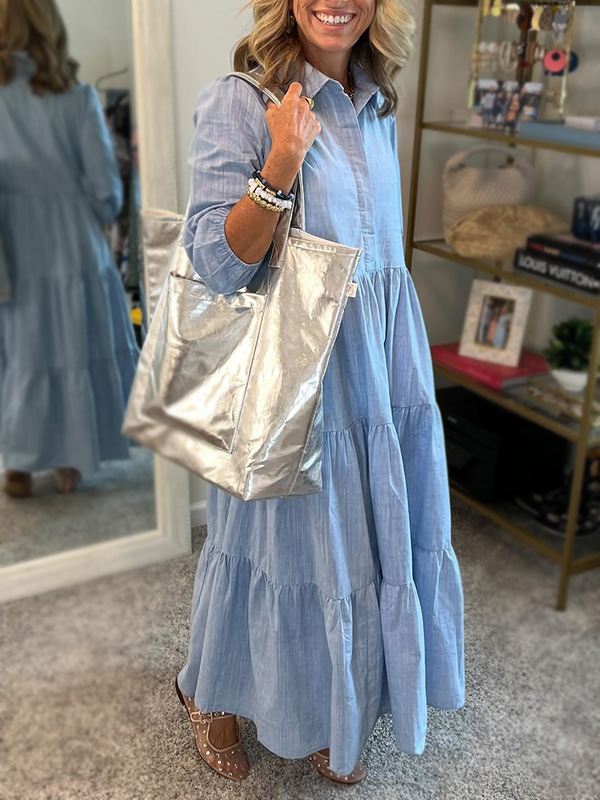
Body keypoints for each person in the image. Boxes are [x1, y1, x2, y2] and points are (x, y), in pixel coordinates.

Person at [176, 0, 465, 785]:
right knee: (271, 547)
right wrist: (280, 163)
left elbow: (378, 265)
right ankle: (208, 693)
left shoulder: (379, 102)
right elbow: (216, 264)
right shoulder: (242, 99)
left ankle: (322, 706)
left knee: (354, 548)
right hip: (292, 371)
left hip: (376, 367)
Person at [0, 0, 140, 497]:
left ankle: (18, 465)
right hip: (73, 241)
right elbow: (106, 192)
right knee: (74, 346)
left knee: (23, 352)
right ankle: (69, 462)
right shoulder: (76, 97)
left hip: (12, 245)